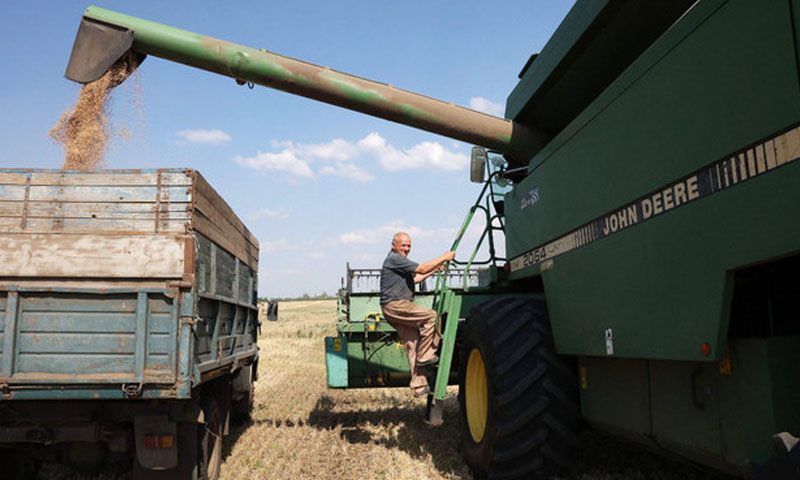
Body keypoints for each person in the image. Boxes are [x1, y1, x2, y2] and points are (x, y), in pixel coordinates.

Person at [380, 232, 455, 397]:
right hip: (397, 305)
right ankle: (427, 354)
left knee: (412, 344)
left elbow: (416, 279)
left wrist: (435, 269)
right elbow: (421, 268)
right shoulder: (394, 259)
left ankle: (419, 384)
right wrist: (444, 257)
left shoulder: (399, 263)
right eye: (403, 245)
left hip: (392, 308)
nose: (406, 249)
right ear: (394, 245)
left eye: (408, 246)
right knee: (433, 317)